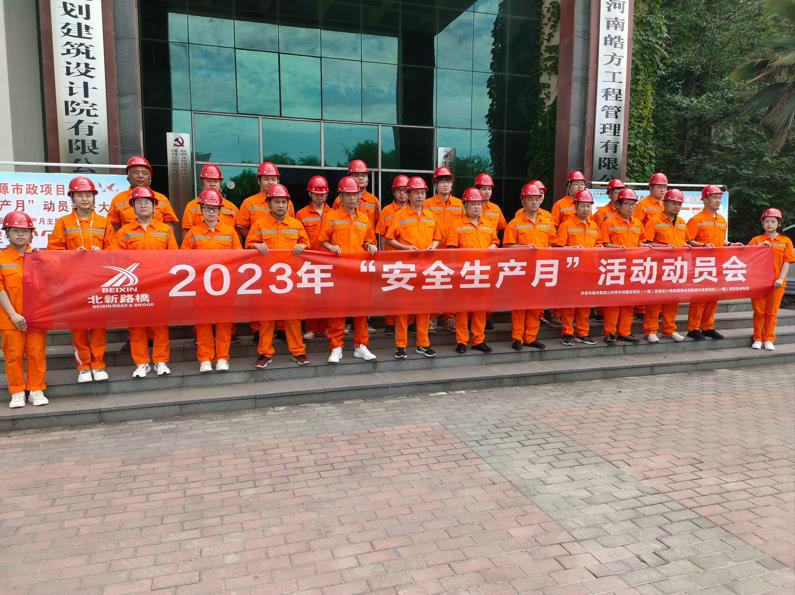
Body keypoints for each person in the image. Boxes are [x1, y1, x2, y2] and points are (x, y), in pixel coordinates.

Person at [47, 176, 111, 383]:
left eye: (88, 195)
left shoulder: (104, 222)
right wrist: (72, 255)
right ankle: (84, 366)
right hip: (73, 282)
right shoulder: (63, 222)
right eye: (80, 195)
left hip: (99, 281)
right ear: (72, 198)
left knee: (98, 325)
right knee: (78, 325)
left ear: (94, 198)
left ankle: (98, 364)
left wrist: (101, 252)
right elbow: (54, 251)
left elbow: (115, 249)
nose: (84, 199)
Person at [110, 186, 178, 378]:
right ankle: (141, 363)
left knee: (160, 325)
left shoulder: (165, 230)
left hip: (160, 285)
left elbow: (174, 257)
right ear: (133, 207)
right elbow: (114, 257)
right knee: (137, 326)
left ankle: (160, 361)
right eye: (138, 202)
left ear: (154, 206)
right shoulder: (125, 231)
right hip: (135, 286)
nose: (143, 205)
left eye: (147, 202)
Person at [246, 184, 310, 368]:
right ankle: (265, 353)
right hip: (267, 279)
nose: (280, 205)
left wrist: (302, 246)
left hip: (291, 280)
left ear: (288, 204)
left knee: (293, 318)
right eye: (276, 202)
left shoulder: (296, 224)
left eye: (283, 202)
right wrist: (256, 245)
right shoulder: (260, 224)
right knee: (267, 318)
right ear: (269, 203)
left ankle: (298, 352)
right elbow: (248, 244)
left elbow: (306, 243)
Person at [181, 189, 242, 372]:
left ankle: (222, 357)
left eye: (214, 208)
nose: (210, 211)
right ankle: (205, 358)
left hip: (224, 285)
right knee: (203, 323)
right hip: (201, 286)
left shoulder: (230, 232)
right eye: (207, 208)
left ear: (220, 211)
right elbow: (184, 258)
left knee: (224, 323)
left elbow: (239, 258)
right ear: (201, 209)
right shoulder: (193, 233)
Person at [318, 176, 378, 363]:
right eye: (349, 195)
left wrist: (370, 245)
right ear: (341, 197)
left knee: (361, 310)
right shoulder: (331, 217)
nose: (353, 198)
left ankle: (361, 346)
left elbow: (368, 240)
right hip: (339, 273)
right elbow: (322, 240)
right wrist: (331, 247)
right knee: (338, 310)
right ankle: (336, 347)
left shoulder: (364, 218)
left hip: (359, 272)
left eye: (355, 194)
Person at [385, 176, 440, 359]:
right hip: (405, 269)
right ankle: (401, 345)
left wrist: (433, 246)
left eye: (422, 192)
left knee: (424, 307)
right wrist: (404, 247)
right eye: (416, 192)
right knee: (403, 308)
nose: (420, 196)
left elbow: (437, 237)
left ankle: (423, 344)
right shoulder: (399, 216)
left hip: (425, 268)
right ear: (408, 194)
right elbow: (389, 239)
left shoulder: (430, 216)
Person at [0, 212, 48, 408]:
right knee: (13, 356)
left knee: (37, 353)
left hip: (36, 317)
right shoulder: (1, 258)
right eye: (15, 231)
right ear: (7, 233)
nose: (20, 235)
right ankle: (17, 391)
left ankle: (36, 390)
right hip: (10, 318)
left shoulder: (40, 257)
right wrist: (13, 314)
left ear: (31, 234)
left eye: (25, 231)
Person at [686, 184, 743, 340]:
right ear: (705, 200)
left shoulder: (722, 220)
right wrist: (703, 245)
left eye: (719, 198)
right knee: (699, 297)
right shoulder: (696, 220)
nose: (718, 201)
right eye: (715, 197)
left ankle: (708, 327)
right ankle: (693, 328)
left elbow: (720, 241)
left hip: (718, 264)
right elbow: (688, 241)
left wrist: (730, 244)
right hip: (702, 265)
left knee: (713, 297)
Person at [503, 183, 555, 351]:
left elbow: (552, 244)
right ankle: (517, 337)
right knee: (519, 305)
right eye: (530, 199)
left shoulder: (546, 222)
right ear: (523, 201)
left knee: (535, 304)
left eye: (537, 199)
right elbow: (507, 247)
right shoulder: (514, 223)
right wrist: (525, 248)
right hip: (520, 270)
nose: (534, 202)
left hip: (540, 269)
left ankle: (531, 337)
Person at [447, 187, 499, 354]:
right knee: (462, 308)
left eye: (479, 204)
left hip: (483, 272)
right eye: (473, 204)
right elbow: (451, 249)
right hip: (464, 272)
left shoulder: (488, 224)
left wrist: (492, 246)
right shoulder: (456, 225)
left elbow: (495, 241)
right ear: (465, 206)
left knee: (480, 307)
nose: (477, 207)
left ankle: (478, 340)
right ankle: (462, 340)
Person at [641, 189, 690, 343]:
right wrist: (663, 247)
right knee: (655, 300)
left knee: (672, 300)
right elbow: (646, 244)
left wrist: (690, 246)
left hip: (676, 267)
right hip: (658, 267)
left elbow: (685, 241)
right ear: (665, 203)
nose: (676, 207)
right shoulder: (654, 221)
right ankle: (650, 330)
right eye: (673, 203)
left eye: (679, 204)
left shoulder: (681, 222)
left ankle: (669, 330)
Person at [556, 190, 601, 346]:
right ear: (575, 207)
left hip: (588, 271)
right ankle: (568, 333)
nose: (585, 209)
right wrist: (573, 249)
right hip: (571, 272)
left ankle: (583, 333)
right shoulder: (566, 225)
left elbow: (599, 244)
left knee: (585, 304)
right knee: (569, 304)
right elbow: (558, 249)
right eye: (582, 206)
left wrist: (599, 248)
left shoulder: (594, 226)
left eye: (588, 206)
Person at [600, 188, 644, 344]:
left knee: (628, 302)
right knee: (613, 302)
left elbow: (641, 242)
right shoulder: (609, 223)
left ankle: (625, 332)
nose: (630, 207)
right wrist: (617, 248)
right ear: (619, 205)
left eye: (633, 204)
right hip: (615, 268)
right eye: (627, 204)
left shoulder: (638, 223)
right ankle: (610, 333)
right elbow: (604, 244)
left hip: (633, 268)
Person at [748, 208, 794, 350]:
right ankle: (757, 338)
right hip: (758, 283)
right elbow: (747, 258)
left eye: (773, 221)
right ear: (762, 223)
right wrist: (759, 247)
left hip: (777, 283)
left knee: (772, 312)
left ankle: (769, 338)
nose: (769, 224)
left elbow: (787, 261)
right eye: (766, 221)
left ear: (779, 224)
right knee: (759, 312)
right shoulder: (756, 240)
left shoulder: (785, 241)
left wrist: (780, 278)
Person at [425, 166, 463, 333]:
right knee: (433, 286)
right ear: (435, 184)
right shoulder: (427, 204)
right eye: (441, 181)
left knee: (451, 286)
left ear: (452, 184)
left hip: (453, 251)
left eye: (448, 181)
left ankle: (448, 317)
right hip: (433, 251)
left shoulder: (459, 204)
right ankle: (432, 318)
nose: (445, 184)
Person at [296, 175, 331, 341]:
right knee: (310, 297)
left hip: (329, 262)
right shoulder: (301, 214)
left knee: (327, 296)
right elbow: (298, 237)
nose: (320, 197)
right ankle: (311, 328)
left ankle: (325, 328)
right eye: (316, 194)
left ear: (327, 194)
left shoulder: (334, 213)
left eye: (322, 194)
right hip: (309, 261)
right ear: (310, 194)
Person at [106, 156, 179, 233]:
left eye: (144, 173)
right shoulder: (118, 199)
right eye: (135, 172)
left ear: (150, 177)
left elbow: (169, 226)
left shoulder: (162, 199)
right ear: (128, 177)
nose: (140, 176)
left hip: (156, 240)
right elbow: (113, 228)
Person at [376, 175, 410, 336]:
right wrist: (383, 256)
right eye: (398, 190)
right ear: (393, 192)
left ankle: (409, 322)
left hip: (409, 260)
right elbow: (383, 235)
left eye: (404, 190)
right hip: (391, 258)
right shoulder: (387, 211)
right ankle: (390, 323)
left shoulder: (414, 210)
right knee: (391, 291)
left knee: (408, 291)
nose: (402, 193)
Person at [236, 161, 295, 240]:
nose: (270, 182)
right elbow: (242, 226)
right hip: (259, 246)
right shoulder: (248, 202)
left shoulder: (288, 203)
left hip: (283, 245)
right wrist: (254, 240)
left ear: (278, 181)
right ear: (259, 181)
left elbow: (292, 225)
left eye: (273, 179)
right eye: (266, 179)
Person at [181, 164, 239, 232]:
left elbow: (238, 233)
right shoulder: (191, 206)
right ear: (202, 183)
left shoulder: (232, 207)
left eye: (215, 181)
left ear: (220, 184)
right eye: (208, 181)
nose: (212, 184)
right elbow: (186, 232)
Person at [332, 160, 381, 228]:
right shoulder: (339, 200)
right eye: (357, 175)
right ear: (350, 177)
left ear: (367, 179)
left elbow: (379, 226)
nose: (361, 178)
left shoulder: (374, 200)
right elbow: (332, 221)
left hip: (368, 234)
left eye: (363, 175)